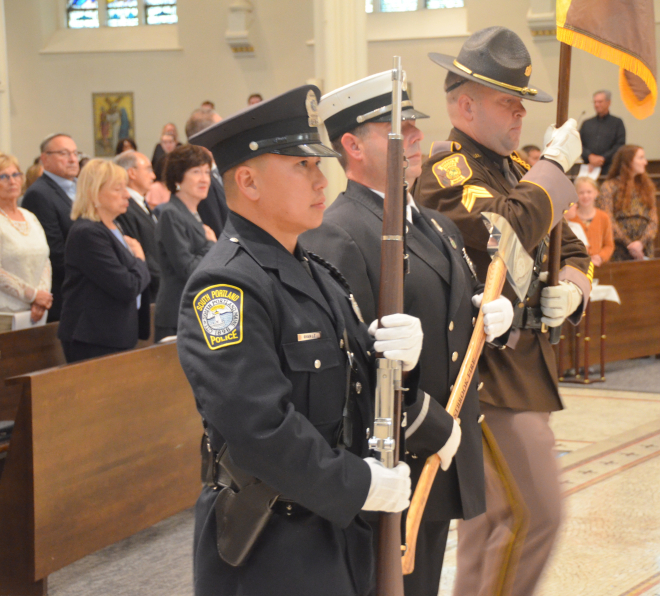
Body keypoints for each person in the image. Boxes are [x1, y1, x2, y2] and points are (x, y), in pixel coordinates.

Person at [183, 84, 422, 596]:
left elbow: (359, 386)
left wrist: (401, 356)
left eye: (320, 165)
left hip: (332, 529)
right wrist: (359, 485)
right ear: (247, 181)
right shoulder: (226, 286)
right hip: (271, 541)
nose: (321, 179)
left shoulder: (313, 271)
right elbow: (258, 427)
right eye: (301, 166)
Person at [302, 71, 515, 596]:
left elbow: (452, 322)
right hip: (397, 454)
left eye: (416, 124)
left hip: (440, 451)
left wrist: (496, 323)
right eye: (397, 127)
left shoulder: (435, 226)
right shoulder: (340, 230)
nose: (417, 136)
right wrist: (429, 427)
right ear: (351, 145)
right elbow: (355, 364)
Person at [415, 26, 592, 596]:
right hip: (481, 373)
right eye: (506, 102)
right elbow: (503, 236)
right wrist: (552, 174)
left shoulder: (517, 167)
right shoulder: (444, 174)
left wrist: (573, 287)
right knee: (536, 515)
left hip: (523, 368)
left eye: (522, 102)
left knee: (489, 522)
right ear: (465, 105)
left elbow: (573, 246)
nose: (520, 114)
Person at [58, 159, 150, 363]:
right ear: (94, 193)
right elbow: (127, 286)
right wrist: (140, 260)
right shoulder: (87, 233)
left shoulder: (113, 226)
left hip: (116, 332)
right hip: (93, 337)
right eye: (118, 189)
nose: (126, 194)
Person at [0, 152, 52, 335]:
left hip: (34, 310)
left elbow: (45, 259)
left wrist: (41, 297)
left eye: (15, 175)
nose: (12, 181)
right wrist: (33, 295)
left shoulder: (29, 216)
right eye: (3, 177)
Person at [154, 144, 215, 341]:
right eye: (196, 172)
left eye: (207, 172)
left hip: (194, 310)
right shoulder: (171, 214)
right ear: (178, 177)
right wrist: (210, 244)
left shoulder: (193, 212)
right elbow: (187, 268)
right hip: (177, 314)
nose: (204, 178)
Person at [21, 133, 80, 321]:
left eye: (75, 153)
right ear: (44, 159)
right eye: (64, 153)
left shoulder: (79, 188)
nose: (72, 159)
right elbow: (54, 251)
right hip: (66, 290)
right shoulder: (39, 194)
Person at [114, 150, 161, 301]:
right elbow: (139, 249)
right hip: (148, 287)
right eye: (148, 169)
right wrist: (163, 280)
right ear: (132, 173)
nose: (153, 176)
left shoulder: (141, 203)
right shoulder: (125, 208)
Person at [597, 144, 658, 261]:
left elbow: (653, 220)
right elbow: (607, 219)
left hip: (644, 247)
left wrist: (641, 243)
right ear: (628, 161)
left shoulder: (647, 187)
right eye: (641, 158)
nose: (645, 162)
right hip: (619, 247)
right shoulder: (609, 187)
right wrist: (629, 244)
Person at [185, 107, 230, 236]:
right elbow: (216, 226)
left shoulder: (216, 169)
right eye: (221, 130)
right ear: (206, 136)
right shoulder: (200, 178)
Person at [567, 177, 614, 267]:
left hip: (599, 266)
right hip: (577, 265)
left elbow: (609, 245)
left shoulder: (604, 217)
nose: (585, 196)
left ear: (596, 193)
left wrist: (600, 257)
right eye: (581, 193)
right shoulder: (570, 217)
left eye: (589, 192)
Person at [579, 90, 626, 176]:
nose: (596, 105)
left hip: (610, 168)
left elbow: (620, 145)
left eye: (600, 102)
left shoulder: (617, 123)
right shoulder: (587, 123)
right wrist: (589, 156)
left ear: (609, 103)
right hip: (589, 167)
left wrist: (603, 158)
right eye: (595, 102)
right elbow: (578, 144)